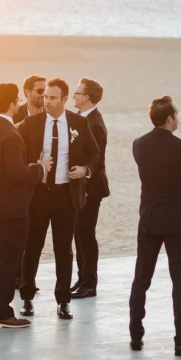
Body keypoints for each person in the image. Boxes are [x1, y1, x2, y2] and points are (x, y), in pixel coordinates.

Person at [129, 95, 181, 356]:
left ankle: (136, 336)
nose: (178, 118)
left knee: (141, 278)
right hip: (177, 221)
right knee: (180, 281)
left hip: (149, 219)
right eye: (177, 114)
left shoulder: (138, 144)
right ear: (170, 118)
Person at [18, 77, 100, 320]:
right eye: (45, 97)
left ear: (65, 99)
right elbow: (16, 154)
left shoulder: (78, 124)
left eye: (53, 98)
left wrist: (85, 170)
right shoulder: (30, 123)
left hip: (66, 196)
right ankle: (26, 298)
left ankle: (63, 301)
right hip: (38, 195)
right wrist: (30, 167)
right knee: (32, 247)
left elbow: (94, 153)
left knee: (64, 250)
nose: (47, 101)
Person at [0, 82, 52, 328]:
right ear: (10, 104)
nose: (19, 103)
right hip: (10, 205)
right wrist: (41, 168)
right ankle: (1, 312)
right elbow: (17, 173)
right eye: (17, 100)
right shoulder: (11, 135)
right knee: (9, 258)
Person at [71, 77, 110, 299]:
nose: (74, 96)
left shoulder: (95, 123)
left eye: (77, 93)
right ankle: (82, 279)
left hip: (90, 188)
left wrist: (84, 185)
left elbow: (97, 159)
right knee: (78, 234)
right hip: (78, 186)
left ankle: (90, 283)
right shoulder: (78, 117)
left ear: (86, 97)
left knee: (86, 234)